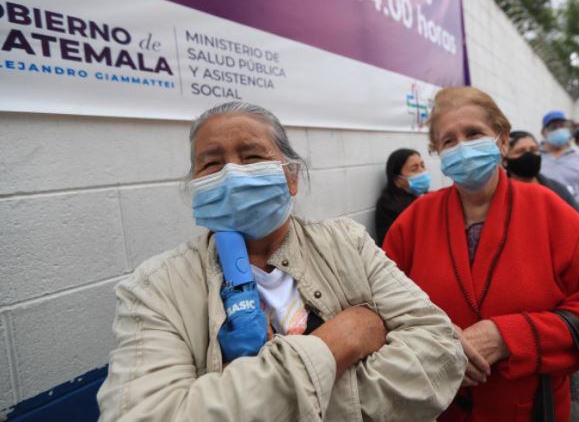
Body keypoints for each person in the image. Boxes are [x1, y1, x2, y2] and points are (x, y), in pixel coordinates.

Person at [97, 102, 466, 421]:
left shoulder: (347, 242)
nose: (231, 173)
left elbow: (440, 350)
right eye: (211, 163)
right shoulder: (155, 288)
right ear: (194, 185)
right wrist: (340, 341)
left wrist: (260, 399)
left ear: (291, 177)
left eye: (252, 156)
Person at [382, 87, 579, 422]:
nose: (462, 147)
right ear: (437, 151)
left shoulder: (553, 214)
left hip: (530, 410)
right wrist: (433, 343)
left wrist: (510, 337)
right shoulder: (412, 223)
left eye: (474, 133)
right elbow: (381, 309)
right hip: (435, 409)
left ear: (502, 140)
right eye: (449, 141)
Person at [504, 130, 579, 211]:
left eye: (533, 150)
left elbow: (578, 220)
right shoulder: (499, 192)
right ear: (505, 161)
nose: (529, 155)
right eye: (520, 151)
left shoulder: (557, 189)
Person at [374, 148, 430, 246]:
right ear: (397, 180)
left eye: (422, 165)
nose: (422, 172)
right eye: (414, 169)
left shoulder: (427, 198)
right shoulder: (389, 207)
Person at [540, 110, 579, 205]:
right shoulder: (536, 154)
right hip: (545, 208)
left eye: (562, 126)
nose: (559, 130)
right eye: (553, 127)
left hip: (574, 209)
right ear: (543, 132)